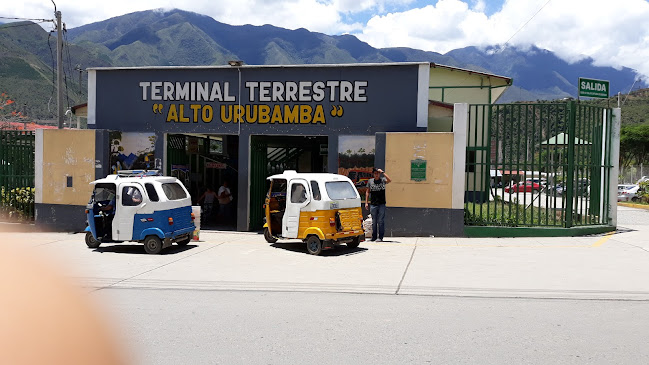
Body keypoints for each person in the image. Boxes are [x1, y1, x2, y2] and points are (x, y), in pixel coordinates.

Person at [364, 168, 391, 242]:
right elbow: (367, 192)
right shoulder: (370, 181)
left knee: (381, 221)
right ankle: (374, 237)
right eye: (375, 173)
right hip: (373, 204)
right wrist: (366, 202)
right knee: (374, 221)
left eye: (378, 173)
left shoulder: (382, 180)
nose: (376, 174)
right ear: (373, 174)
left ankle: (380, 237)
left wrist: (382, 172)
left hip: (381, 204)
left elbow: (389, 180)